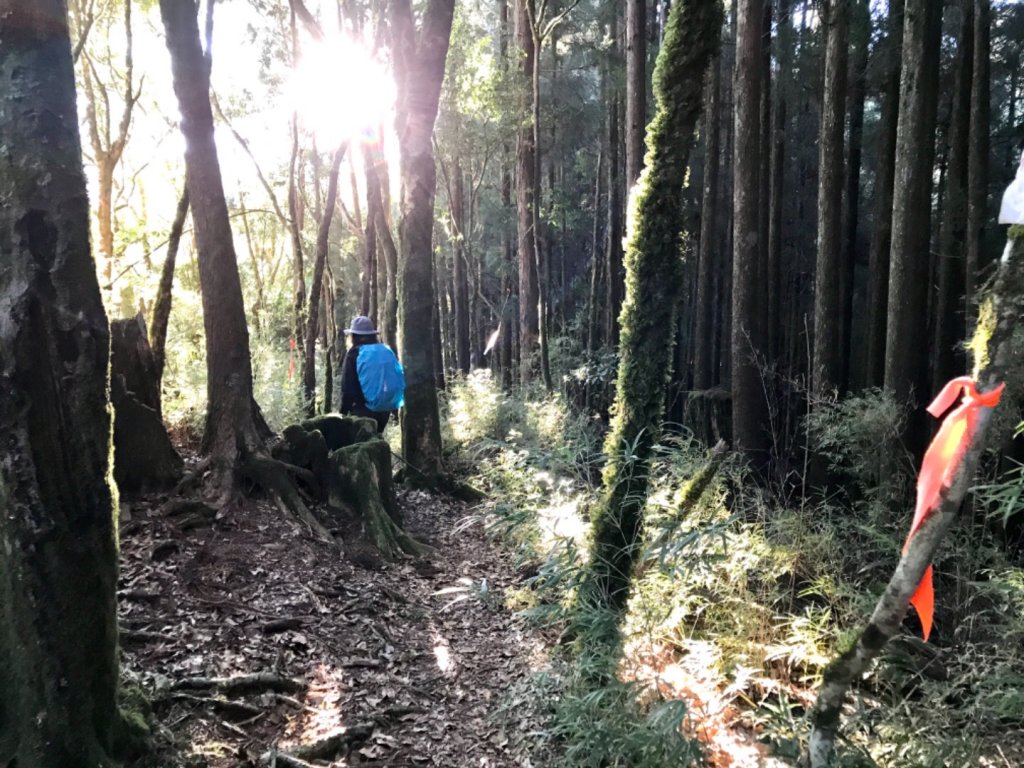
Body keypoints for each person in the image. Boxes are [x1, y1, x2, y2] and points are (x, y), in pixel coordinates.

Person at [340, 316, 395, 433]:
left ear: (354, 336)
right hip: (384, 408)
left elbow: (347, 386)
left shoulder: (353, 354)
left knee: (363, 444)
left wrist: (343, 413)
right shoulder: (384, 350)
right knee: (377, 439)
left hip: (362, 409)